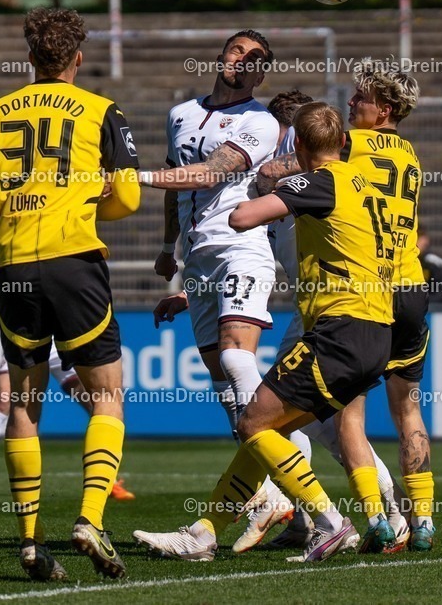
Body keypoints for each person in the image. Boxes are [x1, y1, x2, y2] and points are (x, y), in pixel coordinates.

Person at [134, 102, 395, 563]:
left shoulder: (317, 181)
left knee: (252, 420)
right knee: (272, 428)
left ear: (298, 142)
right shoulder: (361, 179)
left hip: (339, 329)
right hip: (375, 326)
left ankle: (330, 522)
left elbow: (240, 218)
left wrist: (261, 180)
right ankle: (205, 532)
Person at [0, 6, 140, 581]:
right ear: (79, 58)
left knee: (24, 405)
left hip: (15, 267)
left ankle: (30, 541)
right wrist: (83, 201)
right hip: (75, 261)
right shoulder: (103, 111)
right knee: (106, 397)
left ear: (29, 58)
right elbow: (128, 200)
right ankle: (90, 519)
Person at [256, 59, 435, 551]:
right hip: (413, 288)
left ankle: (375, 521)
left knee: (349, 413)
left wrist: (270, 169)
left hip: (371, 289)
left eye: (363, 97)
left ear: (386, 109)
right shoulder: (411, 156)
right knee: (409, 411)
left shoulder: (353, 144)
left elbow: (308, 156)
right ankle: (422, 522)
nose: (352, 102)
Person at [140, 31, 305, 548]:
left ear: (262, 75)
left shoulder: (259, 120)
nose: (243, 61)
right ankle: (301, 512)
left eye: (256, 59)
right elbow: (176, 178)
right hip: (198, 260)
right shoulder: (180, 113)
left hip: (242, 246)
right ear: (222, 57)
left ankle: (299, 506)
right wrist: (170, 247)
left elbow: (213, 172)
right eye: (237, 50)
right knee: (226, 386)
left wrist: (132, 178)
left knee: (239, 361)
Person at [0, 246, 135, 504]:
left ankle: (106, 479)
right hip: (28, 339)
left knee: (99, 403)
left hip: (64, 338)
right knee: (7, 401)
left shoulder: (48, 236)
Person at [417, 227, 442, 304]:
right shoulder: (407, 260)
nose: (425, 243)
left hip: (430, 304)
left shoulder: (432, 261)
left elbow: (440, 288)